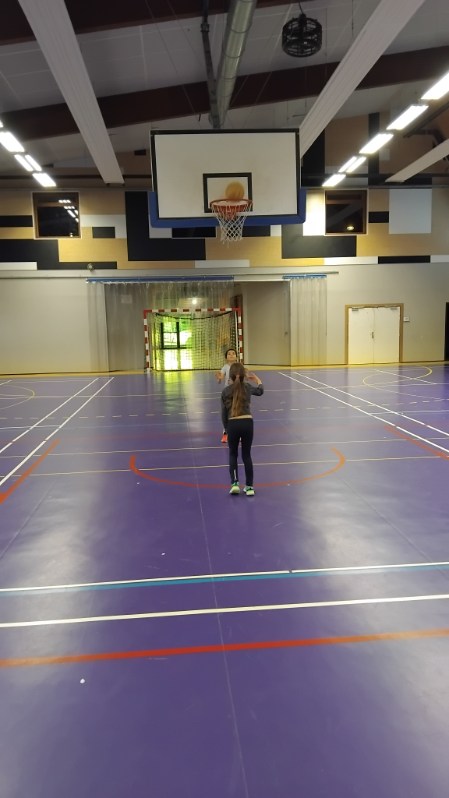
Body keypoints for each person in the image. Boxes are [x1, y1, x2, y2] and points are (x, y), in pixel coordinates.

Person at [221, 362, 263, 496]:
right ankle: (249, 487)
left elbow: (223, 414)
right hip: (247, 422)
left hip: (233, 424)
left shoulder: (225, 391)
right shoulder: (247, 387)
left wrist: (226, 429)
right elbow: (260, 391)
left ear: (230, 376)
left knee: (233, 454)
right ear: (244, 375)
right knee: (246, 455)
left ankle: (235, 484)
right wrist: (257, 380)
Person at [215, 347, 238, 443]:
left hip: (237, 392)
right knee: (225, 412)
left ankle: (237, 433)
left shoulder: (239, 367)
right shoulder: (225, 367)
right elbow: (220, 379)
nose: (231, 355)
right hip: (226, 393)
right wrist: (219, 378)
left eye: (233, 353)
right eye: (229, 354)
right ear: (226, 357)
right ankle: (226, 432)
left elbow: (243, 378)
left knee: (236, 413)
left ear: (236, 356)